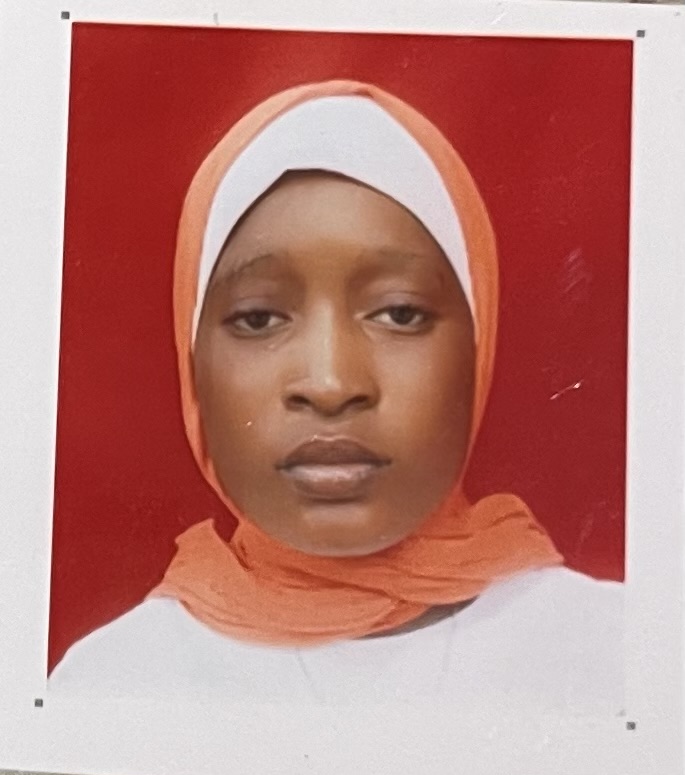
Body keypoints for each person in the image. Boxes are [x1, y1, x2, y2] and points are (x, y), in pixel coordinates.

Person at [50, 81, 623, 714]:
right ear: (193, 362)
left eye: (400, 313)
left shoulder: (617, 658)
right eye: (259, 319)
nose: (330, 384)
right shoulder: (113, 685)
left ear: (479, 345)